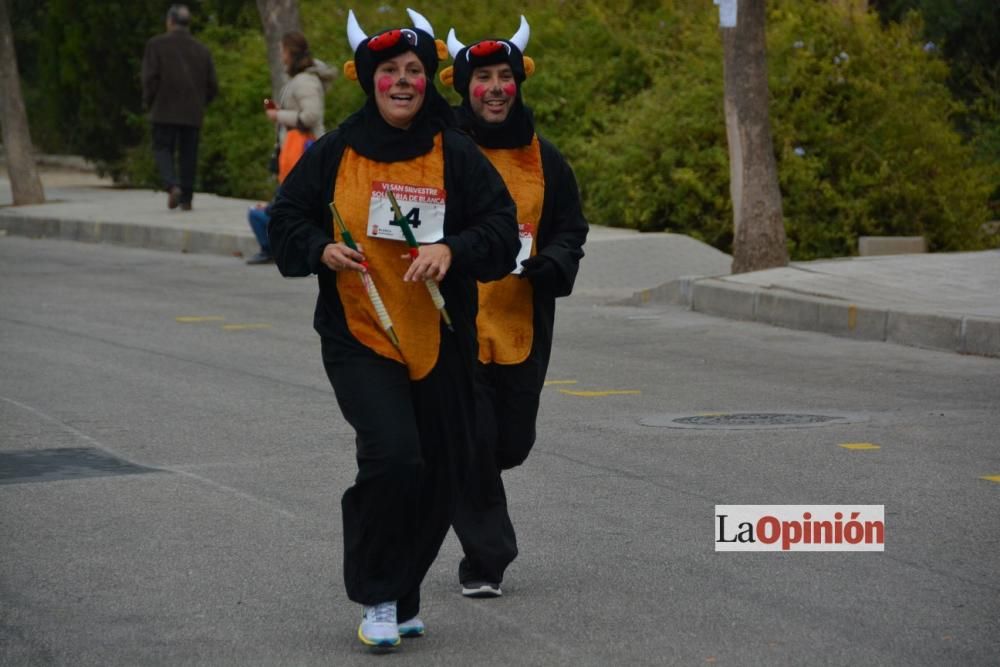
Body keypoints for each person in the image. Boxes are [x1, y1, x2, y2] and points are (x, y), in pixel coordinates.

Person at [267, 8, 519, 651]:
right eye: (390, 71)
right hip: (361, 334)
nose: (403, 81)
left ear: (429, 81)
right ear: (368, 79)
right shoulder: (336, 151)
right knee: (393, 457)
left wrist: (454, 249)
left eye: (414, 70)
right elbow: (287, 220)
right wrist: (321, 248)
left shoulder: (454, 150)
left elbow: (498, 226)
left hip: (439, 335)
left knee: (439, 469)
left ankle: (404, 596)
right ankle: (378, 594)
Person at [440, 15, 588, 598]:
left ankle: (457, 479)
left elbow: (570, 230)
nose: (495, 88)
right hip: (453, 322)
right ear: (463, 87)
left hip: (521, 320)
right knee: (472, 439)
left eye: (505, 76)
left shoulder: (547, 159)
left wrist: (553, 262)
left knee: (509, 444)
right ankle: (486, 558)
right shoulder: (439, 153)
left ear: (518, 83)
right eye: (483, 78)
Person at [247, 31, 336, 265]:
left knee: (290, 203)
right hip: (297, 149)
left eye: (282, 51)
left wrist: (278, 115)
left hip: (304, 150)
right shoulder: (301, 79)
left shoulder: (305, 81)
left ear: (290, 52)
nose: (281, 56)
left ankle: (278, 247)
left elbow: (311, 115)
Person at [141, 4, 218, 211]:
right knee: (189, 154)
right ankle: (187, 198)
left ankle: (172, 185)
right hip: (192, 112)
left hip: (163, 109)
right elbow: (212, 85)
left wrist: (149, 102)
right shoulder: (202, 50)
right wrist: (201, 103)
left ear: (170, 22)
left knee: (162, 148)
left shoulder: (156, 45)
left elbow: (150, 79)